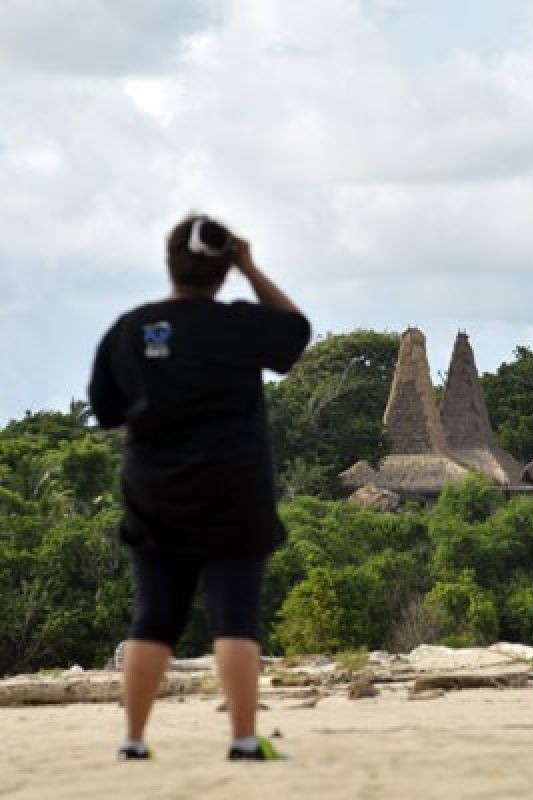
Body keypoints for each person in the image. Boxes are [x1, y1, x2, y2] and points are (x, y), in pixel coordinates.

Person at [88, 214, 311, 761]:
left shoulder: (133, 329)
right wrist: (252, 269)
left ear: (170, 263)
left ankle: (134, 742)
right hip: (234, 494)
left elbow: (106, 408)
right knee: (236, 618)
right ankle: (241, 740)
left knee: (153, 618)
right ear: (224, 269)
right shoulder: (238, 326)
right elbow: (295, 330)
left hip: (156, 495)